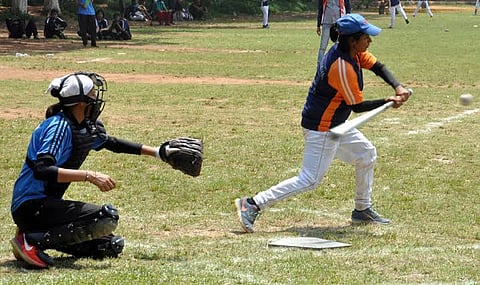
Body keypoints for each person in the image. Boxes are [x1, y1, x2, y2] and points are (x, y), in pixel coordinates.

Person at [235, 14, 411, 233]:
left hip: (337, 123)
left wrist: (398, 87)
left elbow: (378, 67)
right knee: (309, 179)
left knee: (366, 154)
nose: (370, 41)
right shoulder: (341, 66)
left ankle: (362, 210)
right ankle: (252, 203)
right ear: (352, 40)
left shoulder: (354, 53)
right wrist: (387, 102)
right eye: (365, 36)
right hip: (322, 127)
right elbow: (356, 106)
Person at [9, 71, 202, 269]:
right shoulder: (58, 126)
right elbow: (43, 169)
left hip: (45, 208)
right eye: (93, 94)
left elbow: (112, 143)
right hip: (31, 207)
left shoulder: (82, 126)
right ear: (81, 101)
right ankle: (30, 241)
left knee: (108, 246)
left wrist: (159, 153)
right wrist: (89, 176)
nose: (96, 99)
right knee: (105, 217)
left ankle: (30, 234)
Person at [316, 0, 351, 66]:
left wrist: (347, 21)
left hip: (339, 22)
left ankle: (339, 64)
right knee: (323, 46)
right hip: (326, 21)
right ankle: (319, 65)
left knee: (338, 45)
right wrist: (318, 24)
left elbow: (347, 7)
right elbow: (320, 8)